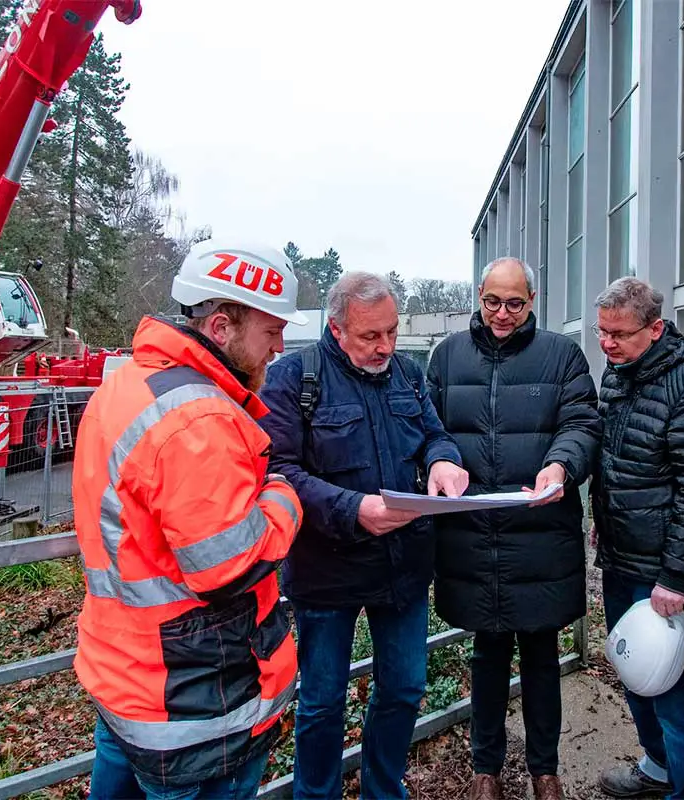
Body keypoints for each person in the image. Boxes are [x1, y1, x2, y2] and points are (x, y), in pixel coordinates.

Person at [73, 239, 306, 800]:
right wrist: (283, 496)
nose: (279, 347)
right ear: (222, 327)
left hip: (125, 677)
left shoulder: (129, 384)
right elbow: (229, 566)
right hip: (193, 703)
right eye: (271, 331)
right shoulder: (198, 419)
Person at [259, 271, 468, 800]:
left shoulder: (408, 374)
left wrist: (443, 461)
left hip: (402, 567)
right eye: (371, 336)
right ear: (336, 328)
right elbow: (278, 471)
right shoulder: (293, 378)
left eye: (392, 332)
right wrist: (353, 510)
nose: (386, 346)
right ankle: (316, 795)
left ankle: (383, 790)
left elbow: (434, 435)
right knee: (322, 701)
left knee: (404, 689)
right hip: (325, 572)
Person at [427, 257, 601, 800]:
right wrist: (436, 459)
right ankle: (486, 770)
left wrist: (562, 465)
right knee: (487, 657)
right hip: (473, 535)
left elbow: (582, 423)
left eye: (515, 304)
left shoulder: (562, 355)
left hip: (539, 533)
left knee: (542, 658)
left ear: (533, 300)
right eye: (492, 302)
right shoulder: (447, 356)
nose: (502, 314)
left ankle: (544, 770)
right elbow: (427, 427)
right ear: (479, 294)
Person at [585, 277, 684, 800]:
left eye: (618, 334)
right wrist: (604, 514)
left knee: (677, 697)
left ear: (655, 328)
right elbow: (616, 458)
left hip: (664, 573)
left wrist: (676, 577)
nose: (607, 344)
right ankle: (657, 767)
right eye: (601, 332)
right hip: (621, 556)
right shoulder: (618, 373)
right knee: (636, 672)